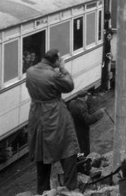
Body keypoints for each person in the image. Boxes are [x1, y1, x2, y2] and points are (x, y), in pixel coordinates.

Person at [26, 49, 80, 194]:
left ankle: (42, 191)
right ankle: (70, 189)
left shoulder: (30, 71)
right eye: (59, 59)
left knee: (41, 153)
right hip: (55, 114)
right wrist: (63, 68)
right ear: (55, 60)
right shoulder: (54, 75)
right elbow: (69, 85)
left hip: (36, 115)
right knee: (69, 148)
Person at [67, 91, 104, 156]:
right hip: (82, 132)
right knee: (84, 150)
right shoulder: (82, 107)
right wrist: (99, 113)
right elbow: (88, 120)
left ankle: (79, 160)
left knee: (78, 148)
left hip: (74, 130)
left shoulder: (71, 103)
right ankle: (83, 163)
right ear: (84, 97)